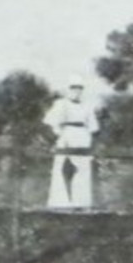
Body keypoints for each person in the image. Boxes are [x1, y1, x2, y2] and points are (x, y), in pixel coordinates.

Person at [43, 78, 101, 209]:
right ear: (68, 89)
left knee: (83, 168)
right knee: (61, 168)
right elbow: (50, 123)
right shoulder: (61, 104)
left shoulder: (87, 106)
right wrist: (58, 134)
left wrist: (92, 140)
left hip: (83, 137)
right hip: (66, 136)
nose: (77, 91)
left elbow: (93, 127)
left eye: (79, 88)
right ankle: (60, 202)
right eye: (73, 88)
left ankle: (82, 202)